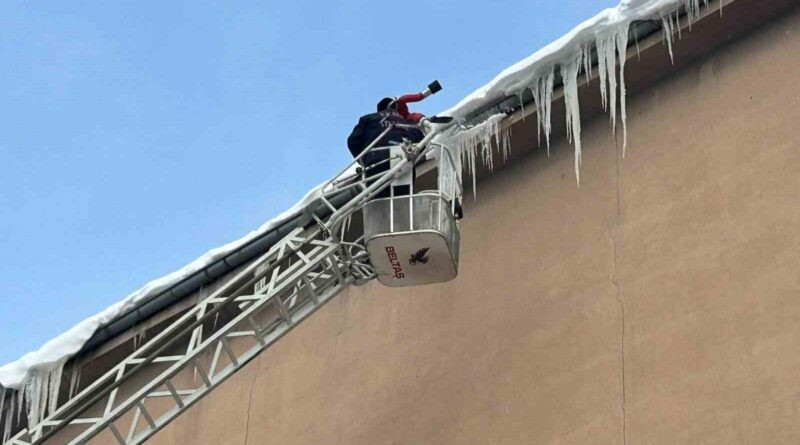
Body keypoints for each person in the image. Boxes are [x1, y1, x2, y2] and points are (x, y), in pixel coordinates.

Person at [347, 96, 425, 198]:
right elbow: (421, 142)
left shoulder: (368, 119)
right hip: (402, 159)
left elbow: (353, 141)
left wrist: (364, 160)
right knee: (403, 199)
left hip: (376, 161)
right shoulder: (406, 122)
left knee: (378, 198)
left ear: (379, 110)